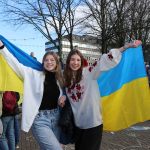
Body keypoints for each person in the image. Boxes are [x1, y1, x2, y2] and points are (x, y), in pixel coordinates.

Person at [63, 40, 142, 150]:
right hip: (78, 125)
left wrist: (126, 47)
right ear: (68, 61)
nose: (75, 62)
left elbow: (104, 60)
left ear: (82, 61)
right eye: (72, 59)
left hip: (93, 124)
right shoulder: (66, 80)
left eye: (78, 60)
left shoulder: (89, 72)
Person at [0, 41, 66, 150]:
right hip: (40, 120)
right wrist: (2, 47)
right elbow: (15, 64)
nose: (49, 62)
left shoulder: (59, 78)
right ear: (43, 62)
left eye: (52, 60)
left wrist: (63, 97)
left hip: (56, 117)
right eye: (46, 60)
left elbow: (64, 92)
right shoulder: (33, 74)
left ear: (57, 63)